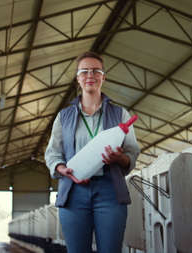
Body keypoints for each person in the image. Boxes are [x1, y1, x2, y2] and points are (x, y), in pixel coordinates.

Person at [45, 51, 140, 253]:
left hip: (110, 191)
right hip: (73, 191)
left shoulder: (121, 114)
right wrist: (62, 168)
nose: (91, 75)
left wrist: (120, 158)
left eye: (96, 71)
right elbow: (52, 153)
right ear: (78, 78)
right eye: (85, 71)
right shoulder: (64, 116)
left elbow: (132, 153)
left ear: (103, 77)